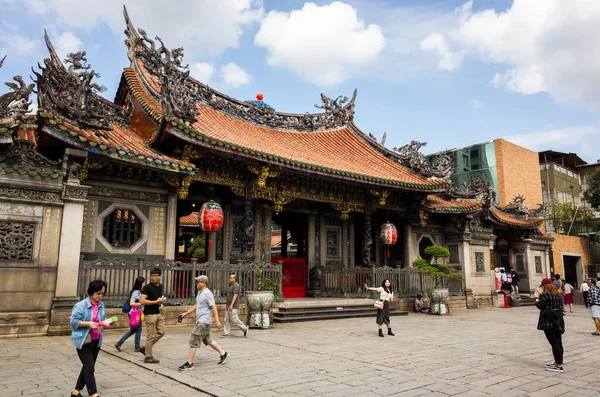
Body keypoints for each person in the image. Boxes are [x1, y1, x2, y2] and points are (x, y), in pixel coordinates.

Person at [177, 275, 229, 371]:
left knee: (194, 339)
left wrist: (217, 320)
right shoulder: (200, 293)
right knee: (207, 340)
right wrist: (186, 313)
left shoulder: (207, 293)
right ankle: (223, 353)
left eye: (198, 282)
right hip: (201, 320)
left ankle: (189, 363)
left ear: (204, 283)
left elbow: (213, 307)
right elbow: (197, 305)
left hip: (203, 322)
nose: (196, 283)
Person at [69, 280, 108, 397]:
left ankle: (75, 393)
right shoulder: (81, 306)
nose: (100, 296)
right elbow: (73, 322)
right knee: (90, 368)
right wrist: (88, 324)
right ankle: (93, 394)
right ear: (91, 292)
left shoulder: (101, 305)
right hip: (83, 341)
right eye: (98, 293)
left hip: (96, 341)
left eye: (102, 293)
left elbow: (101, 320)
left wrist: (104, 324)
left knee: (87, 367)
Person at [534, 278, 565, 373]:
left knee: (554, 343)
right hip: (557, 321)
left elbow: (540, 305)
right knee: (558, 342)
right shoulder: (557, 295)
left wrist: (536, 298)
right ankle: (558, 362)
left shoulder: (546, 295)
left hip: (548, 322)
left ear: (545, 286)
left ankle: (558, 365)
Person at [140, 267, 166, 364]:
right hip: (149, 314)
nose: (153, 278)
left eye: (155, 276)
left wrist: (161, 304)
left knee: (162, 331)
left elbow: (160, 298)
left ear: (160, 276)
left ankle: (146, 348)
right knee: (150, 335)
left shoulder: (161, 287)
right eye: (152, 276)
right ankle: (148, 357)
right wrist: (156, 301)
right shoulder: (147, 288)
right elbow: (142, 301)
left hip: (158, 313)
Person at [115, 276, 145, 352]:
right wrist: (141, 303)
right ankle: (136, 347)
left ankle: (120, 343)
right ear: (140, 283)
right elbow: (132, 303)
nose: (144, 284)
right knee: (138, 330)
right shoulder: (136, 292)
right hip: (134, 314)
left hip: (136, 313)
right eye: (143, 282)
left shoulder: (138, 291)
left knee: (134, 330)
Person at [221, 274, 249, 338]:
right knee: (227, 320)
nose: (229, 279)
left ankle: (244, 328)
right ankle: (226, 333)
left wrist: (231, 305)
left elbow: (235, 295)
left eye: (231, 278)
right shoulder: (231, 286)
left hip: (233, 306)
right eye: (229, 277)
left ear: (234, 279)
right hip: (228, 306)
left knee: (234, 319)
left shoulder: (236, 285)